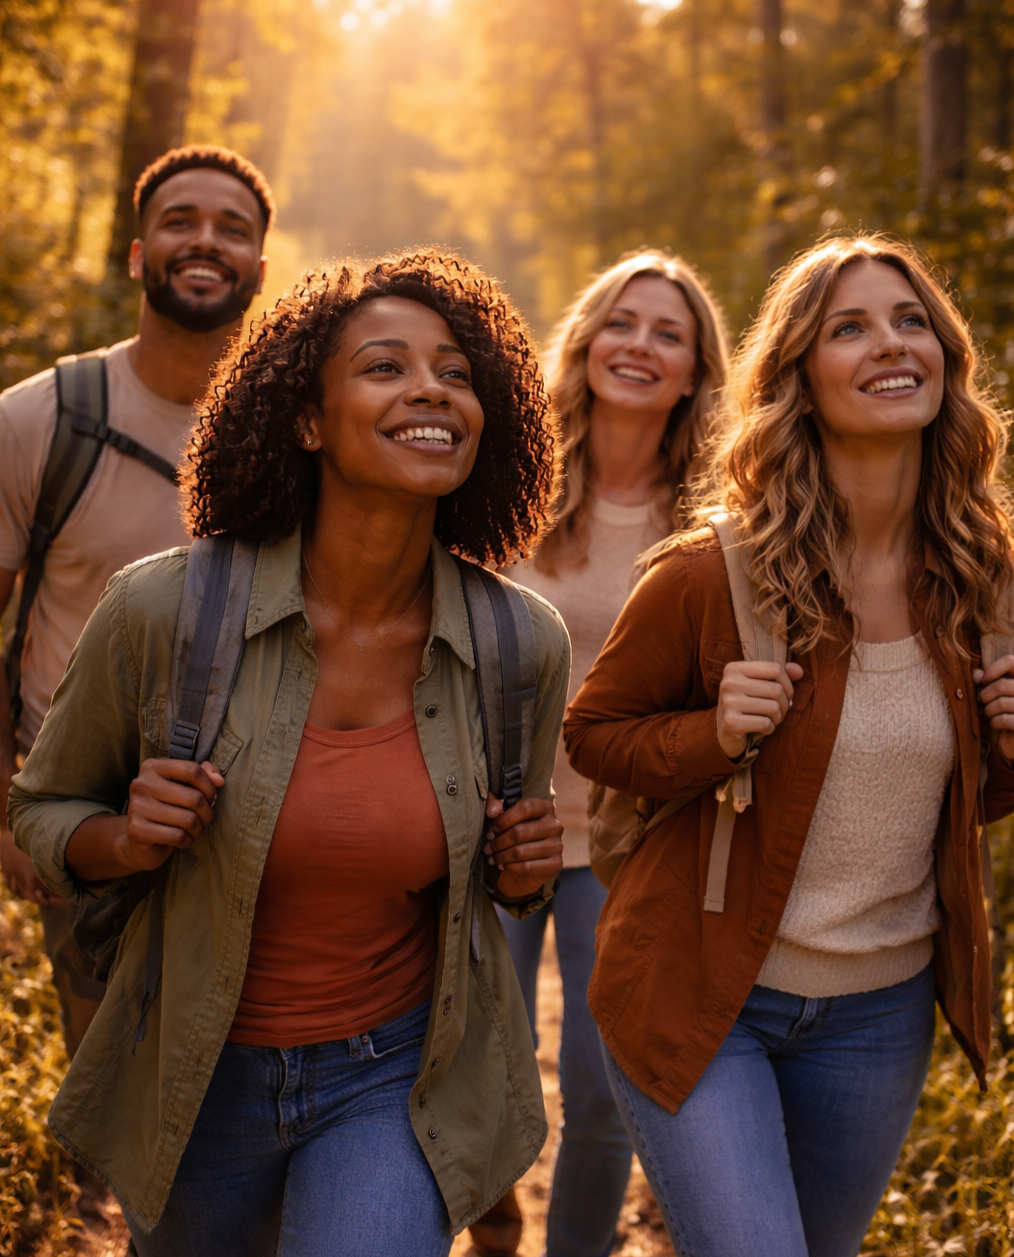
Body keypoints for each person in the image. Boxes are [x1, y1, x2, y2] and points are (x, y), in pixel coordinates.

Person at [9, 250, 570, 1257]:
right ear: (307, 421)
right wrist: (127, 837)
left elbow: (500, 875)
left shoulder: (517, 644)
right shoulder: (163, 609)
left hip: (391, 1074)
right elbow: (42, 818)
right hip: (198, 1075)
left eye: (454, 371)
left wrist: (522, 874)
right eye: (386, 367)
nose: (431, 390)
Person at [564, 234, 1014, 1257]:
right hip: (701, 990)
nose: (889, 344)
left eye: (910, 322)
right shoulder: (705, 575)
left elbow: (951, 796)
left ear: (944, 358)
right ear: (797, 378)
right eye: (847, 327)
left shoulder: (983, 581)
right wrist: (714, 733)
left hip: (877, 1020)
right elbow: (596, 737)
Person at [472, 251, 728, 1257]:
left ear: (695, 373)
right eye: (622, 323)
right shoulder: (508, 479)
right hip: (493, 825)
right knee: (470, 1062)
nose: (640, 345)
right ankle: (492, 1212)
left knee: (599, 1090)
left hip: (629, 843)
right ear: (584, 343)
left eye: (669, 333)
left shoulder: (716, 515)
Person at [0, 144, 272, 1056]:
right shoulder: (39, 420)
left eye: (233, 229)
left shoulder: (297, 432)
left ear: (260, 267)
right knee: (114, 1083)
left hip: (261, 815)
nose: (205, 241)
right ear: (136, 250)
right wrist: (16, 810)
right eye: (180, 220)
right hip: (90, 819)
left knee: (251, 1093)